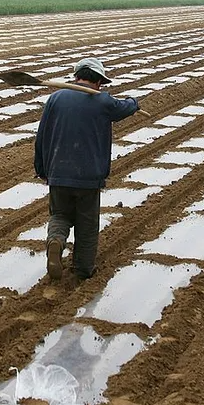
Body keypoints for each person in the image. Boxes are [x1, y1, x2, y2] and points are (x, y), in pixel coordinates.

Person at [34, 57, 140, 282]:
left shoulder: (55, 98)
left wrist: (42, 168)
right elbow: (126, 108)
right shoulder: (103, 101)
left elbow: (41, 136)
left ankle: (56, 240)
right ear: (100, 82)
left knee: (60, 214)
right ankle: (83, 269)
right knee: (87, 223)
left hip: (58, 172)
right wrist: (135, 102)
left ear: (76, 76)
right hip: (89, 175)